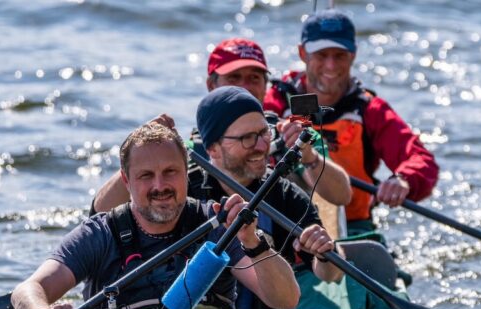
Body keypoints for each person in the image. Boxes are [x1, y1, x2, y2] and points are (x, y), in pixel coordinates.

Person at [12, 123, 299, 309]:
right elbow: (27, 290)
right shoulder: (100, 234)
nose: (160, 185)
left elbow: (286, 298)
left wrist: (253, 241)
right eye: (146, 175)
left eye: (170, 172)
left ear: (187, 173)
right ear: (127, 181)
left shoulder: (217, 225)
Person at [91, 37, 352, 215]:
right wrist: (140, 152)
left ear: (266, 86)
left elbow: (341, 196)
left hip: (284, 255)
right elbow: (101, 212)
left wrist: (308, 156)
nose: (244, 87)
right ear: (211, 85)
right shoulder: (190, 146)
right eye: (234, 78)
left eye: (253, 78)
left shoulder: (290, 135)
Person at [264, 9, 439, 233]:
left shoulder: (369, 109)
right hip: (285, 224)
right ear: (302, 53)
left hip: (353, 226)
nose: (330, 66)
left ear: (353, 55)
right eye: (321, 55)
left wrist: (404, 180)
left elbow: (421, 159)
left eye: (339, 55)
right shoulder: (278, 100)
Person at [190, 86, 344, 309]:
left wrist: (326, 252)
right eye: (247, 138)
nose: (262, 147)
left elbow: (331, 275)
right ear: (213, 148)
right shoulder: (185, 190)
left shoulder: (283, 194)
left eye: (264, 133)